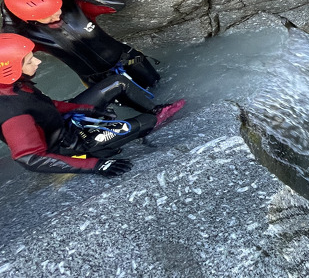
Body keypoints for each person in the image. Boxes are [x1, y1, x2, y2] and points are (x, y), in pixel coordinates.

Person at [0, 33, 184, 176]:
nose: (38, 61)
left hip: (63, 123)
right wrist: (95, 166)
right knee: (146, 122)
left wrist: (88, 109)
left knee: (118, 82)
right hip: (71, 146)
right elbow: (30, 158)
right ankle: (103, 150)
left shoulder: (13, 84)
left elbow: (44, 106)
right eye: (30, 60)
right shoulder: (13, 113)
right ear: (9, 68)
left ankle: (155, 108)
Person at [2, 0, 162, 113]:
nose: (57, 15)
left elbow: (118, 4)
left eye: (56, 8)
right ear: (29, 19)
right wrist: (8, 22)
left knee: (158, 84)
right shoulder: (29, 35)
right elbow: (11, 54)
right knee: (137, 107)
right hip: (97, 78)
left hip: (129, 58)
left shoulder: (74, 7)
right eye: (48, 15)